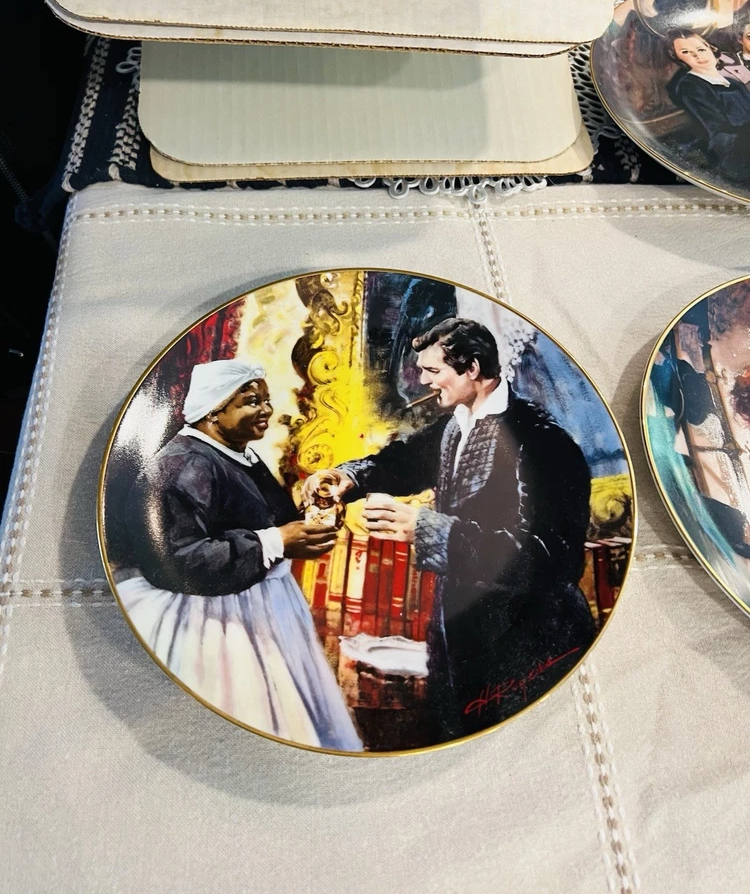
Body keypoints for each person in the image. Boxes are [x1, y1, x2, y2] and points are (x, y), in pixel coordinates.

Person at [303, 318, 595, 743]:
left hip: (530, 640)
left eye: (432, 371)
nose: (423, 381)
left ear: (472, 369)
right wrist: (347, 477)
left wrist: (430, 531)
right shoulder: (455, 426)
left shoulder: (543, 441)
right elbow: (399, 463)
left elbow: (555, 558)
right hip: (456, 635)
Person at [117, 359, 363, 752]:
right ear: (214, 410)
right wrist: (275, 542)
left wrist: (309, 514)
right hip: (215, 621)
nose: (267, 410)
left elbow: (261, 519)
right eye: (251, 402)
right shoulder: (184, 464)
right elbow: (175, 560)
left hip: (261, 606)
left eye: (266, 400)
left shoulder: (237, 453)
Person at [665, 29, 750, 183]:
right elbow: (716, 125)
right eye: (686, 52)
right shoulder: (690, 85)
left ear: (711, 49)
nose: (698, 56)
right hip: (729, 145)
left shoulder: (734, 84)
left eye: (701, 49)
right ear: (678, 58)